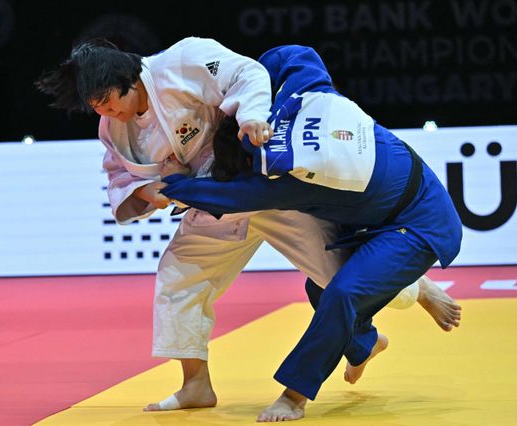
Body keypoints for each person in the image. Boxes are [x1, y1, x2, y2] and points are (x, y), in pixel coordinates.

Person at [35, 37, 459, 413]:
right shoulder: (114, 130)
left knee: (337, 279)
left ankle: (415, 290)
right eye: (95, 106)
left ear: (128, 78)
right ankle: (196, 385)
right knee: (179, 277)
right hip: (208, 201)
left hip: (258, 178)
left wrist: (253, 116)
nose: (106, 111)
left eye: (108, 100)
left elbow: (247, 72)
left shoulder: (182, 60)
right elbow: (120, 177)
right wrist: (150, 193)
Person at [158, 44, 463, 421]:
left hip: (419, 223)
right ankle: (363, 344)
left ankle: (294, 397)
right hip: (387, 202)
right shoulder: (303, 92)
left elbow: (229, 197)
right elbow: (295, 53)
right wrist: (254, 93)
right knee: (321, 283)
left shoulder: (285, 177)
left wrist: (171, 185)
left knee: (343, 292)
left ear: (251, 165)